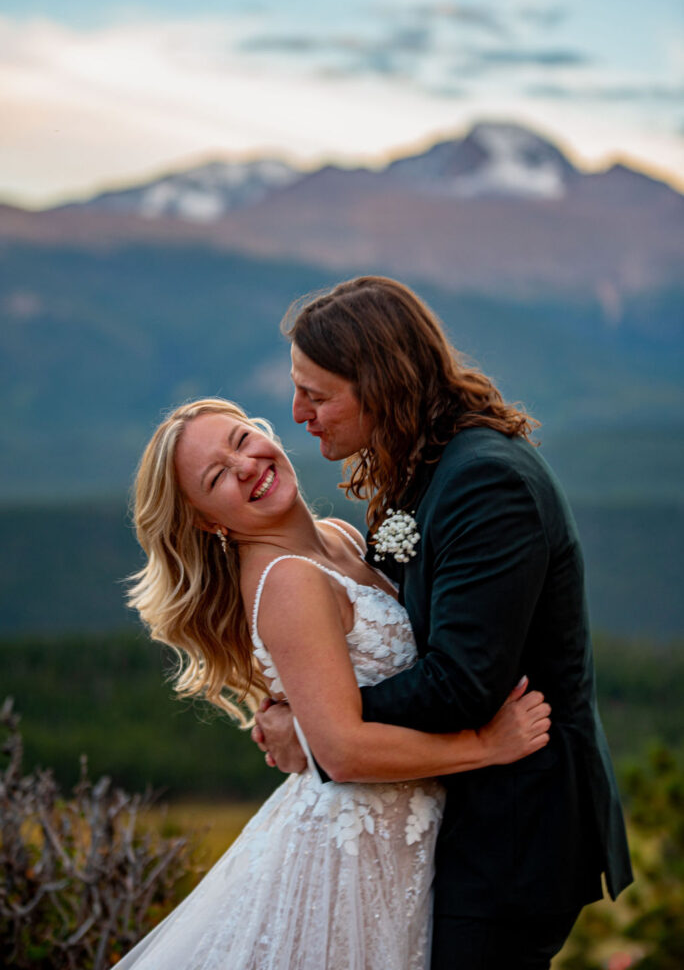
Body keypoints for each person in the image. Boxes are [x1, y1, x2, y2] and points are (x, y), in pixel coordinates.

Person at [253, 275, 633, 970]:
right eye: (296, 387)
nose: (299, 412)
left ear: (380, 382)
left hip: (515, 833)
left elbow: (462, 683)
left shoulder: (486, 481)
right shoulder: (424, 469)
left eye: (317, 393)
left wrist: (319, 726)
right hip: (461, 818)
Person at [119, 397, 551, 970]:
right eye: (218, 476)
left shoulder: (338, 538)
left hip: (409, 837)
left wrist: (297, 720)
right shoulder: (289, 582)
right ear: (205, 520)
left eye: (242, 440)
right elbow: (342, 751)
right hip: (352, 855)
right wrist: (485, 747)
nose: (245, 465)